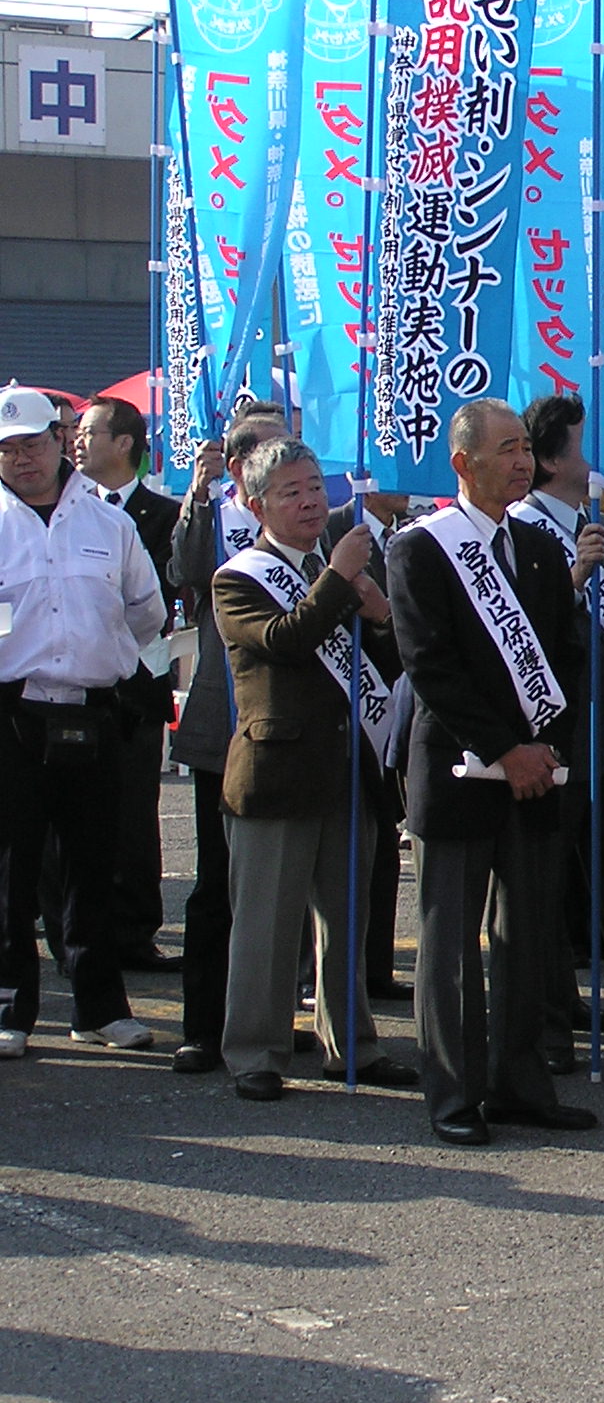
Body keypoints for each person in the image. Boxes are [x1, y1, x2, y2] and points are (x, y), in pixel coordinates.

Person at [387, 400, 594, 1146]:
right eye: (504, 450)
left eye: (524, 451)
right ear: (462, 462)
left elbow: (564, 657)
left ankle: (520, 1083)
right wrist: (506, 748)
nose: (520, 463)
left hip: (534, 775)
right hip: (458, 773)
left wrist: (546, 750)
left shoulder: (538, 548)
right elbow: (430, 667)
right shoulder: (422, 549)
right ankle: (452, 1093)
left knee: (527, 937)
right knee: (449, 945)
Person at [211, 438, 419, 1098]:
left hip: (347, 768)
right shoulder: (240, 576)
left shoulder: (341, 575)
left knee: (346, 922)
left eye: (312, 487)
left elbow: (385, 668)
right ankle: (255, 1051)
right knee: (268, 925)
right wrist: (338, 580)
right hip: (277, 770)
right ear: (256, 505)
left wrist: (380, 614)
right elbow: (285, 641)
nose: (308, 501)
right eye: (289, 493)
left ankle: (349, 1043)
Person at [0, 385, 166, 1061]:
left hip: (94, 714)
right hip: (12, 713)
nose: (22, 460)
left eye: (33, 445)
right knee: (11, 871)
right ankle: (12, 1005)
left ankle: (99, 1008)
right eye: (7, 450)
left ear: (59, 443)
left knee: (94, 864)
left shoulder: (108, 523)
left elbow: (146, 612)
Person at [513, 394, 604, 1066]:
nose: (596, 449)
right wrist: (572, 580)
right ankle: (548, 1027)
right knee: (545, 887)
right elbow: (522, 635)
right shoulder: (519, 530)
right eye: (581, 439)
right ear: (549, 458)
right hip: (554, 730)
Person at [169, 409, 289, 1072]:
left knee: (280, 891)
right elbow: (182, 569)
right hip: (225, 724)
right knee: (217, 884)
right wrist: (199, 492)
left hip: (291, 729)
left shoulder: (313, 515)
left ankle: (267, 1021)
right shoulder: (217, 516)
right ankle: (203, 1024)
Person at [69, 395, 181, 976]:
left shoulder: (165, 515)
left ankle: (136, 931)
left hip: (138, 681)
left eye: (89, 432)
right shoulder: (62, 511)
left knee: (136, 814)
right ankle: (71, 931)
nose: (77, 442)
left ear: (125, 445)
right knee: (68, 817)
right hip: (72, 685)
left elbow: (158, 601)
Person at [323, 485, 415, 1003]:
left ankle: (376, 968)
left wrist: (382, 616)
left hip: (385, 711)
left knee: (381, 849)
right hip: (337, 714)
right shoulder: (337, 532)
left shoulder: (404, 537)